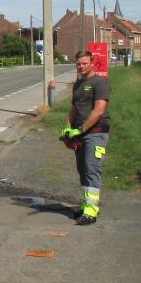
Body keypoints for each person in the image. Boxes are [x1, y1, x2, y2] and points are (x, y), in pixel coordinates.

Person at [61, 49, 111, 226]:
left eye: (84, 63)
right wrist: (68, 128)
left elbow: (99, 111)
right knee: (82, 170)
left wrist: (80, 129)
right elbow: (74, 109)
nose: (81, 67)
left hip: (95, 133)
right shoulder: (78, 84)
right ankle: (86, 205)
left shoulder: (100, 83)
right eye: (78, 64)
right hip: (79, 134)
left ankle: (92, 211)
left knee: (91, 169)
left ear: (92, 63)